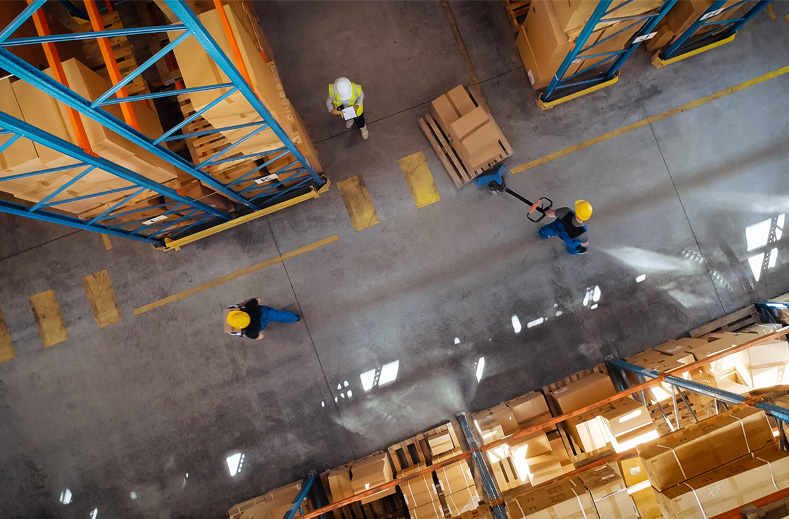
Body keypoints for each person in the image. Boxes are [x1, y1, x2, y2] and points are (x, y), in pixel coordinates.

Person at [226, 298, 300, 340]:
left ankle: (294, 318)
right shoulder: (250, 306)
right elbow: (258, 299)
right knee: (279, 315)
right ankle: (295, 318)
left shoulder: (250, 332)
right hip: (265, 313)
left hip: (261, 325)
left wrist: (242, 334)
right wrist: (240, 305)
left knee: (269, 320)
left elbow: (261, 336)